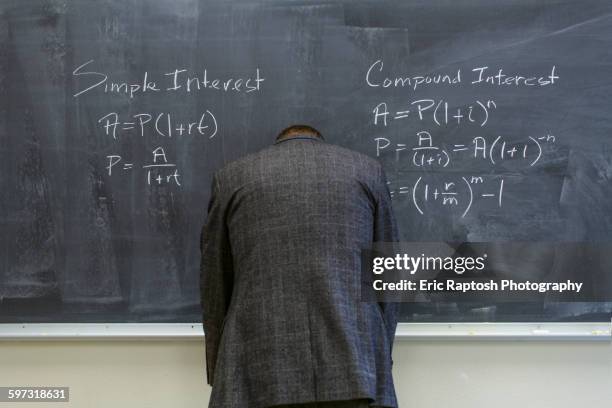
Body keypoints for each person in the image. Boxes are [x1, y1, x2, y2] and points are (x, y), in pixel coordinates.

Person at [200, 125, 399, 408]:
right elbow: (389, 277)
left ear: (280, 141)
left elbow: (214, 284)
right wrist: (379, 358)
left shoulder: (231, 178)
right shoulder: (368, 171)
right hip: (355, 368)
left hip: (255, 367)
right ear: (318, 139)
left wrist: (221, 368)